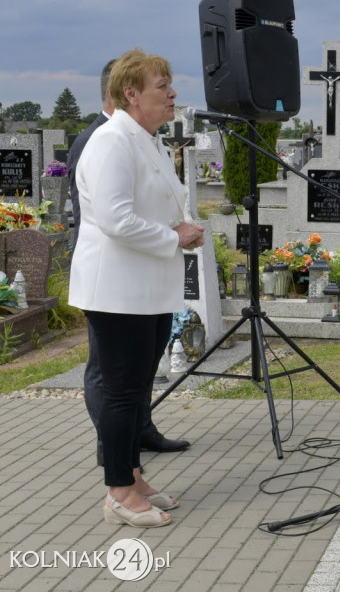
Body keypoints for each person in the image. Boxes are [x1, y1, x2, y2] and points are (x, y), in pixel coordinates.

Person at [70, 49, 206, 527]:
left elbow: (153, 205)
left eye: (170, 84)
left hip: (147, 288)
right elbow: (114, 219)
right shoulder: (111, 142)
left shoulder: (146, 140)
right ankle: (118, 493)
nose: (172, 94)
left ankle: (133, 475)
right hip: (117, 290)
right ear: (131, 94)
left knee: (139, 388)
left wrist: (182, 226)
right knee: (122, 393)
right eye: (161, 86)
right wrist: (175, 236)